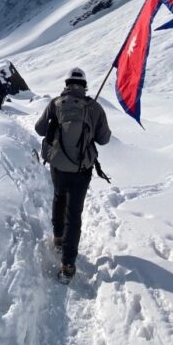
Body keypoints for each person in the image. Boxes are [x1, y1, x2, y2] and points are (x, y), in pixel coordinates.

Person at [34, 67, 111, 282]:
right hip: (82, 168)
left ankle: (58, 237)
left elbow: (39, 129)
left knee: (59, 197)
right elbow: (104, 139)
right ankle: (68, 263)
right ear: (84, 86)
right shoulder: (93, 107)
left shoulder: (56, 103)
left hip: (58, 165)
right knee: (74, 212)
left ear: (66, 84)